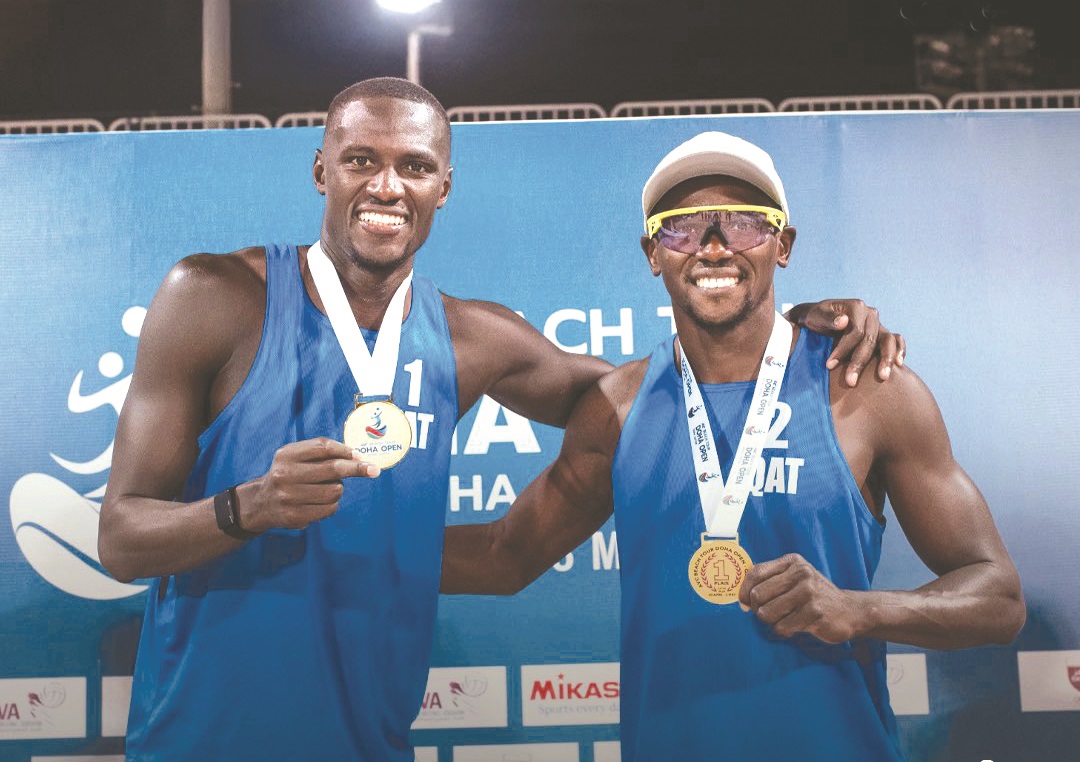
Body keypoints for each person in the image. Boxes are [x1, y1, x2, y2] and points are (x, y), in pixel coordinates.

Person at [98, 78, 903, 761]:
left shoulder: (473, 338)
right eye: (361, 161)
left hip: (370, 739)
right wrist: (247, 507)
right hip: (197, 736)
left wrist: (790, 326)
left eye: (414, 166)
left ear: (442, 186)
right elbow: (122, 538)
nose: (387, 186)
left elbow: (662, 386)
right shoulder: (213, 297)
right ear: (321, 171)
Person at [441, 131, 1025, 761]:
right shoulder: (617, 405)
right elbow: (506, 556)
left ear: (784, 245)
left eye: (744, 225)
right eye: (682, 229)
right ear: (652, 254)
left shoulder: (868, 391)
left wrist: (859, 609)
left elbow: (998, 597)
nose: (713, 247)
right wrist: (340, 542)